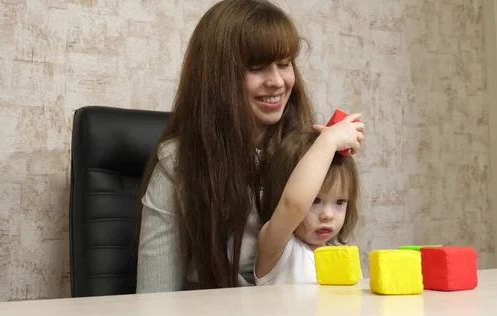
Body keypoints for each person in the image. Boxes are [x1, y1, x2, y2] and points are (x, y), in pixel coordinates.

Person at [134, 0, 364, 293]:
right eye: (257, 68)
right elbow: (155, 298)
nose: (278, 82)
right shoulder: (179, 163)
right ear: (217, 79)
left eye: (284, 64)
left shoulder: (306, 152)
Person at [254, 119, 363, 286]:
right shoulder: (277, 249)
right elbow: (293, 204)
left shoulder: (341, 258)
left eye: (340, 201)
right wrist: (329, 140)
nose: (328, 215)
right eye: (315, 201)